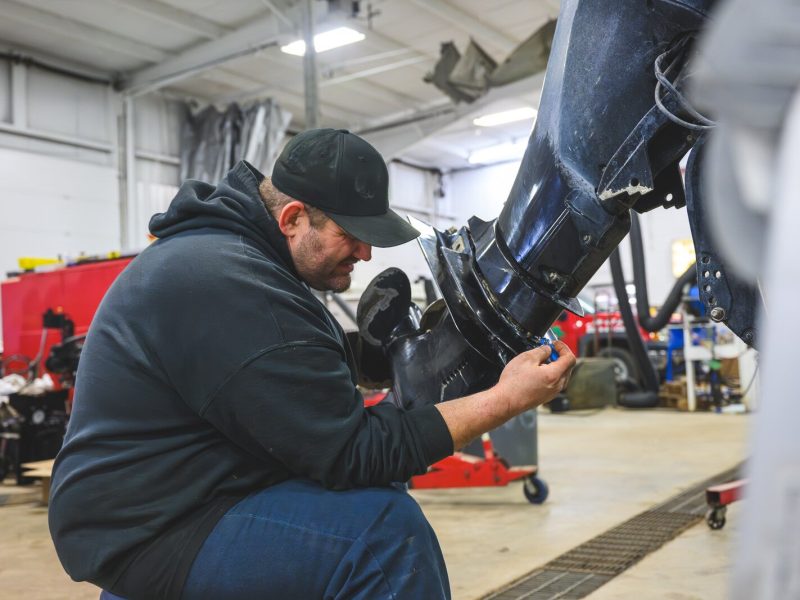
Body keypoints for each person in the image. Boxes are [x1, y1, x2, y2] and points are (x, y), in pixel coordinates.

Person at [48, 128, 575, 599]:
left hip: (188, 493)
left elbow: (268, 374)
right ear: (293, 218)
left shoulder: (232, 260)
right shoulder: (227, 281)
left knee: (369, 496)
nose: (366, 254)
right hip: (154, 529)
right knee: (381, 535)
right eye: (352, 234)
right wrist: (507, 399)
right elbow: (353, 452)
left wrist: (370, 354)